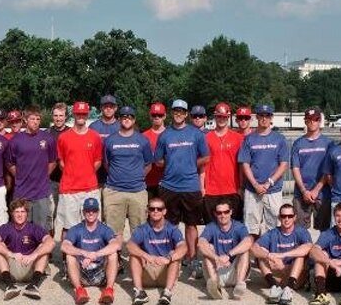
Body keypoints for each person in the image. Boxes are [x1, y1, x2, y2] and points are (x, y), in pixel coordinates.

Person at [153, 99, 209, 280]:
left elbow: (206, 156)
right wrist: (172, 164)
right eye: (175, 111)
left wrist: (191, 164)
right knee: (170, 225)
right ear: (172, 113)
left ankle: (192, 259)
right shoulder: (165, 135)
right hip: (169, 186)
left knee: (191, 224)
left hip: (190, 186)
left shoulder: (196, 134)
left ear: (186, 114)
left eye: (182, 111)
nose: (178, 113)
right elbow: (158, 161)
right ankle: (172, 258)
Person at [239, 104, 289, 242]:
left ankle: (269, 256)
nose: (264, 118)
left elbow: (284, 164)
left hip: (273, 190)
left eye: (267, 115)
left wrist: (268, 183)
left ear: (271, 117)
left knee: (274, 225)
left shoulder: (279, 139)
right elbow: (245, 164)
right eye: (261, 115)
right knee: (250, 227)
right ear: (257, 117)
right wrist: (255, 184)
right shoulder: (249, 139)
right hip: (252, 190)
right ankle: (250, 257)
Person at [101, 106, 151, 239]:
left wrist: (137, 177)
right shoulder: (110, 140)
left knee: (139, 231)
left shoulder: (143, 140)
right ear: (119, 119)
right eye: (123, 117)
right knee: (113, 231)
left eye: (130, 117)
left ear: (134, 120)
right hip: (114, 191)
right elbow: (106, 164)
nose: (127, 119)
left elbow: (148, 164)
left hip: (138, 191)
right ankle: (114, 258)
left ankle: (138, 258)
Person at [0, 199, 52, 301]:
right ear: (12, 214)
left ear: (27, 214)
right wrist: (10, 254)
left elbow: (50, 242)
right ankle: (9, 286)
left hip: (30, 266)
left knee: (43, 248)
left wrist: (34, 255)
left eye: (23, 212)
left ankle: (33, 286)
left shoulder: (34, 228)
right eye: (17, 212)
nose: (20, 215)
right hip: (12, 267)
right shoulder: (6, 227)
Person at [56, 102, 102, 241]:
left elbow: (98, 161)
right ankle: (66, 259)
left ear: (87, 115)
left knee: (92, 225)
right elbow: (61, 162)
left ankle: (89, 255)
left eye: (83, 113)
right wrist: (73, 172)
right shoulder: (63, 137)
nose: (81, 116)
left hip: (90, 188)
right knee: (68, 227)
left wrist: (86, 172)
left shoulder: (95, 137)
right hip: (69, 189)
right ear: (74, 114)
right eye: (78, 113)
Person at [126, 196, 184, 305]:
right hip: (148, 269)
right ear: (148, 211)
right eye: (152, 209)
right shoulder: (142, 229)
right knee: (134, 255)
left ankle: (167, 293)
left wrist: (169, 258)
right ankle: (139, 292)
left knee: (175, 256)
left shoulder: (172, 229)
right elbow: (129, 245)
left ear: (164, 211)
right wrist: (147, 256)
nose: (155, 211)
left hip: (165, 270)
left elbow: (183, 246)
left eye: (159, 209)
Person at [6, 108, 57, 235]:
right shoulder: (15, 141)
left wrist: (44, 175)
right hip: (22, 193)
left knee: (43, 231)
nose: (35, 122)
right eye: (32, 119)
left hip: (42, 193)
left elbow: (53, 161)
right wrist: (19, 175)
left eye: (38, 119)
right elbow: (9, 163)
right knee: (21, 230)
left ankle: (43, 254)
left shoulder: (48, 139)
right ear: (25, 120)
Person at [251, 203, 313, 305]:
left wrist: (282, 255)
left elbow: (308, 247)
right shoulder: (273, 233)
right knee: (261, 255)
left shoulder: (301, 231)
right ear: (279, 218)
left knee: (300, 256)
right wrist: (269, 255)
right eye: (283, 216)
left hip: (295, 275)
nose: (287, 219)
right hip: (277, 275)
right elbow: (254, 248)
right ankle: (274, 287)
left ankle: (289, 288)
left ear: (295, 217)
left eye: (290, 216)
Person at [290, 108, 333, 232]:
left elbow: (328, 170)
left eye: (315, 119)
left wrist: (316, 189)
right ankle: (304, 252)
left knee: (325, 230)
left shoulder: (328, 143)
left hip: (322, 193)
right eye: (309, 120)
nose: (312, 122)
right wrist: (304, 191)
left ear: (320, 121)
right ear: (305, 121)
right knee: (299, 231)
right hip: (301, 194)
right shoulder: (298, 143)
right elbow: (295, 168)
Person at [198, 201, 252, 300]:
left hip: (235, 271)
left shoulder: (239, 226)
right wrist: (217, 258)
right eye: (219, 213)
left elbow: (248, 241)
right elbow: (201, 243)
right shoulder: (211, 227)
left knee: (244, 250)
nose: (223, 215)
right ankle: (215, 286)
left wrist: (228, 255)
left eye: (226, 212)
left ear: (231, 212)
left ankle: (239, 285)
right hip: (217, 269)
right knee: (208, 247)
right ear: (215, 214)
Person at [203, 103, 245, 225]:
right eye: (219, 116)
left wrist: (241, 187)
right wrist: (202, 187)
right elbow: (202, 166)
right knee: (211, 227)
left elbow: (242, 165)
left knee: (234, 227)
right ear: (215, 117)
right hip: (211, 190)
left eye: (224, 117)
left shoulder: (238, 138)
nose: (221, 119)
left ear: (228, 117)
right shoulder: (206, 138)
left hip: (232, 189)